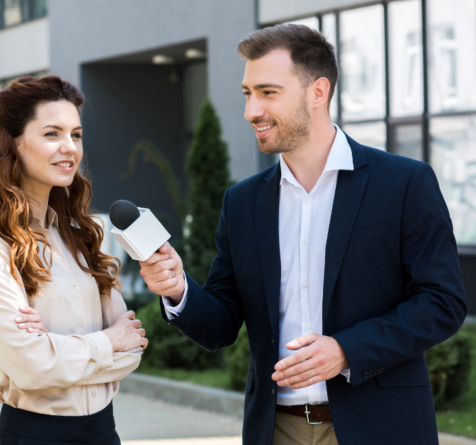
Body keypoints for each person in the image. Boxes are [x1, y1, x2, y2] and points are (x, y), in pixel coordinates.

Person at [139, 24, 466, 445]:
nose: (251, 110)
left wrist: (346, 350)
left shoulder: (404, 184)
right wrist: (178, 289)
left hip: (381, 426)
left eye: (268, 92)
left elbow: (442, 302)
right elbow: (220, 325)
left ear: (318, 92)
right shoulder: (241, 203)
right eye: (247, 93)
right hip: (276, 429)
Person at [0, 75, 147, 445]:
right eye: (52, 134)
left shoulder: (80, 234)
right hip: (34, 435)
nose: (69, 148)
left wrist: (58, 349)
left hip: (105, 433)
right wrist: (107, 342)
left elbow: (133, 348)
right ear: (13, 142)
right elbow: (32, 368)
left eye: (75, 134)